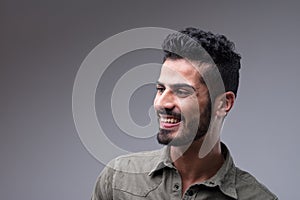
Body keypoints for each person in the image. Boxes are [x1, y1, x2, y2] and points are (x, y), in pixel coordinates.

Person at [91, 27, 278, 199]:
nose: (162, 103)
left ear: (223, 103)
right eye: (160, 88)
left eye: (182, 91)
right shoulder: (117, 180)